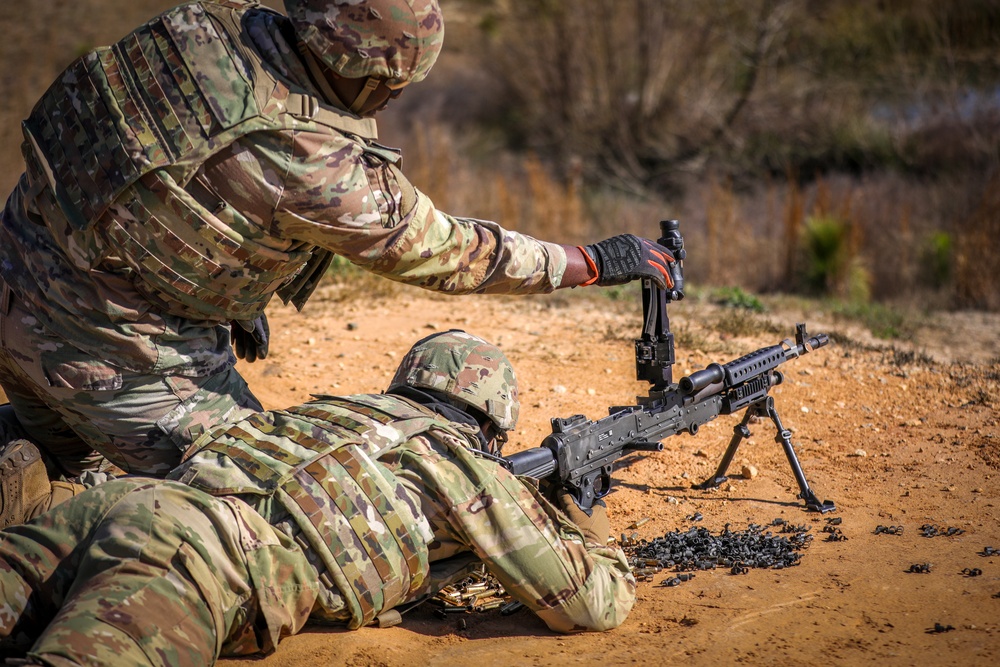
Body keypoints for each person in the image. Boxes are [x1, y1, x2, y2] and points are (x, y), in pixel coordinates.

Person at [0, 0, 682, 526]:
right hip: (103, 356)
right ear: (359, 67)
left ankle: (37, 464)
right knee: (277, 519)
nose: (394, 97)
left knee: (66, 457)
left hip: (18, 281)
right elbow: (452, 252)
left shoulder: (205, 26)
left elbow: (147, 168)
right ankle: (42, 539)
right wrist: (590, 261)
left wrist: (224, 295)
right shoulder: (313, 161)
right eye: (393, 82)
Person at [0, 330, 636, 665]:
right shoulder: (460, 462)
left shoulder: (332, 413)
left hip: (121, 504)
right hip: (201, 552)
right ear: (494, 423)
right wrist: (588, 516)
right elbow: (590, 605)